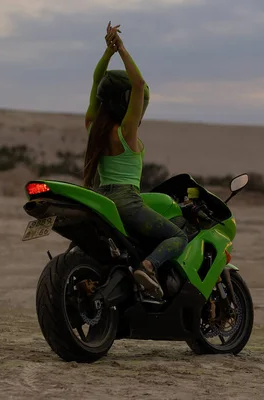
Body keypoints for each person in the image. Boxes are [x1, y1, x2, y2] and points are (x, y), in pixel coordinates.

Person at [82, 22, 187, 299]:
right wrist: (123, 49)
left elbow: (96, 81)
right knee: (178, 236)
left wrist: (108, 53)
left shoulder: (94, 127)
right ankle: (148, 266)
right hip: (126, 201)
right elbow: (139, 84)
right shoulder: (126, 132)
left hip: (102, 197)